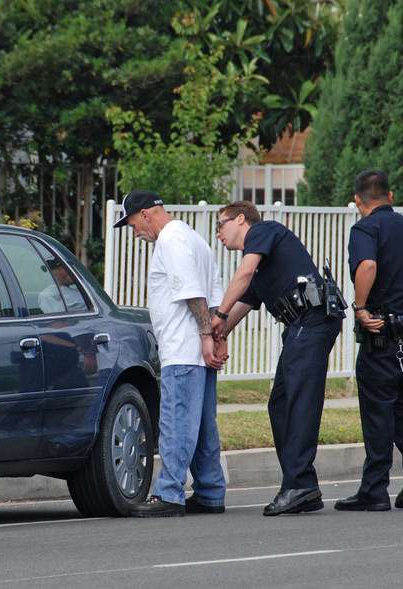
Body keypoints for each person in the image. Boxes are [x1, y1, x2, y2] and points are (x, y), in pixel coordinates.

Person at [210, 200, 343, 516]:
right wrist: (217, 336)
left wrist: (219, 313)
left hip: (312, 320)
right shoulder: (261, 268)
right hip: (301, 326)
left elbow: (244, 274)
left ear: (241, 219)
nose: (218, 235)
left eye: (220, 225)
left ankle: (299, 485)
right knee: (281, 404)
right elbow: (243, 303)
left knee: (298, 401)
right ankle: (301, 485)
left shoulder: (264, 231)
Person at [114, 189, 228, 517]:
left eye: (133, 223)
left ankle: (169, 493)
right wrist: (218, 336)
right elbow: (215, 293)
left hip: (183, 348)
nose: (135, 232)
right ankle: (210, 491)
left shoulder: (170, 240)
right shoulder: (194, 238)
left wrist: (206, 336)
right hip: (198, 350)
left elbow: (192, 292)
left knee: (177, 421)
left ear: (147, 213)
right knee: (204, 425)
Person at [335, 170, 403, 512]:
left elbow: (366, 265)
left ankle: (375, 490)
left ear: (357, 201)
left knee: (377, 408)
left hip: (384, 331)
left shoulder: (366, 228)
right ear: (390, 196)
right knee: (401, 403)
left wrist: (361, 307)